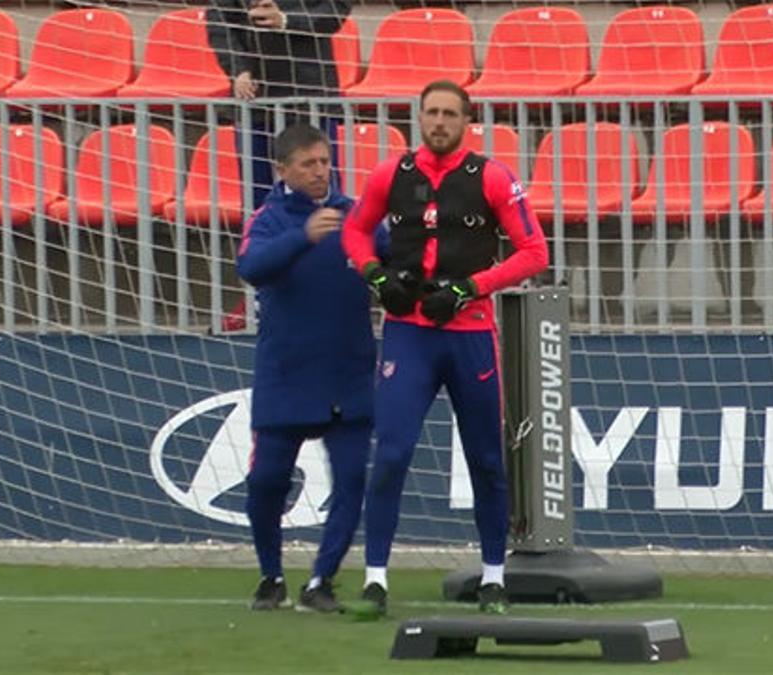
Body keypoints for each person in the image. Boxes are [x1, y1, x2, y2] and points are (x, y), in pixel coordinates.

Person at [341, 80, 550, 615]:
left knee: (485, 459)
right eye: (430, 112)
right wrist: (374, 274)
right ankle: (376, 580)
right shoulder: (391, 173)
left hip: (471, 335)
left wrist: (469, 288)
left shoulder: (494, 177)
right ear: (419, 118)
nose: (438, 121)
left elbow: (533, 253)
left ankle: (495, 578)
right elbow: (355, 231)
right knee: (390, 454)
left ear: (466, 121)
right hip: (408, 333)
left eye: (448, 114)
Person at [236, 124, 381, 612]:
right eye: (308, 164)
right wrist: (303, 235)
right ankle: (270, 575)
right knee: (266, 481)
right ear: (283, 170)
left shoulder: (355, 215)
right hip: (288, 373)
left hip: (349, 373)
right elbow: (251, 268)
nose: (321, 171)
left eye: (324, 161)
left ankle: (321, 580)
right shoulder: (270, 220)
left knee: (351, 481)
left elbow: (394, 258)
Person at [207, 0, 350, 208]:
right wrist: (238, 69)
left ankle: (328, 240)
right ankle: (264, 241)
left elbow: (336, 10)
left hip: (310, 96)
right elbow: (219, 21)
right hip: (255, 99)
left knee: (321, 192)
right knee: (258, 198)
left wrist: (286, 20)